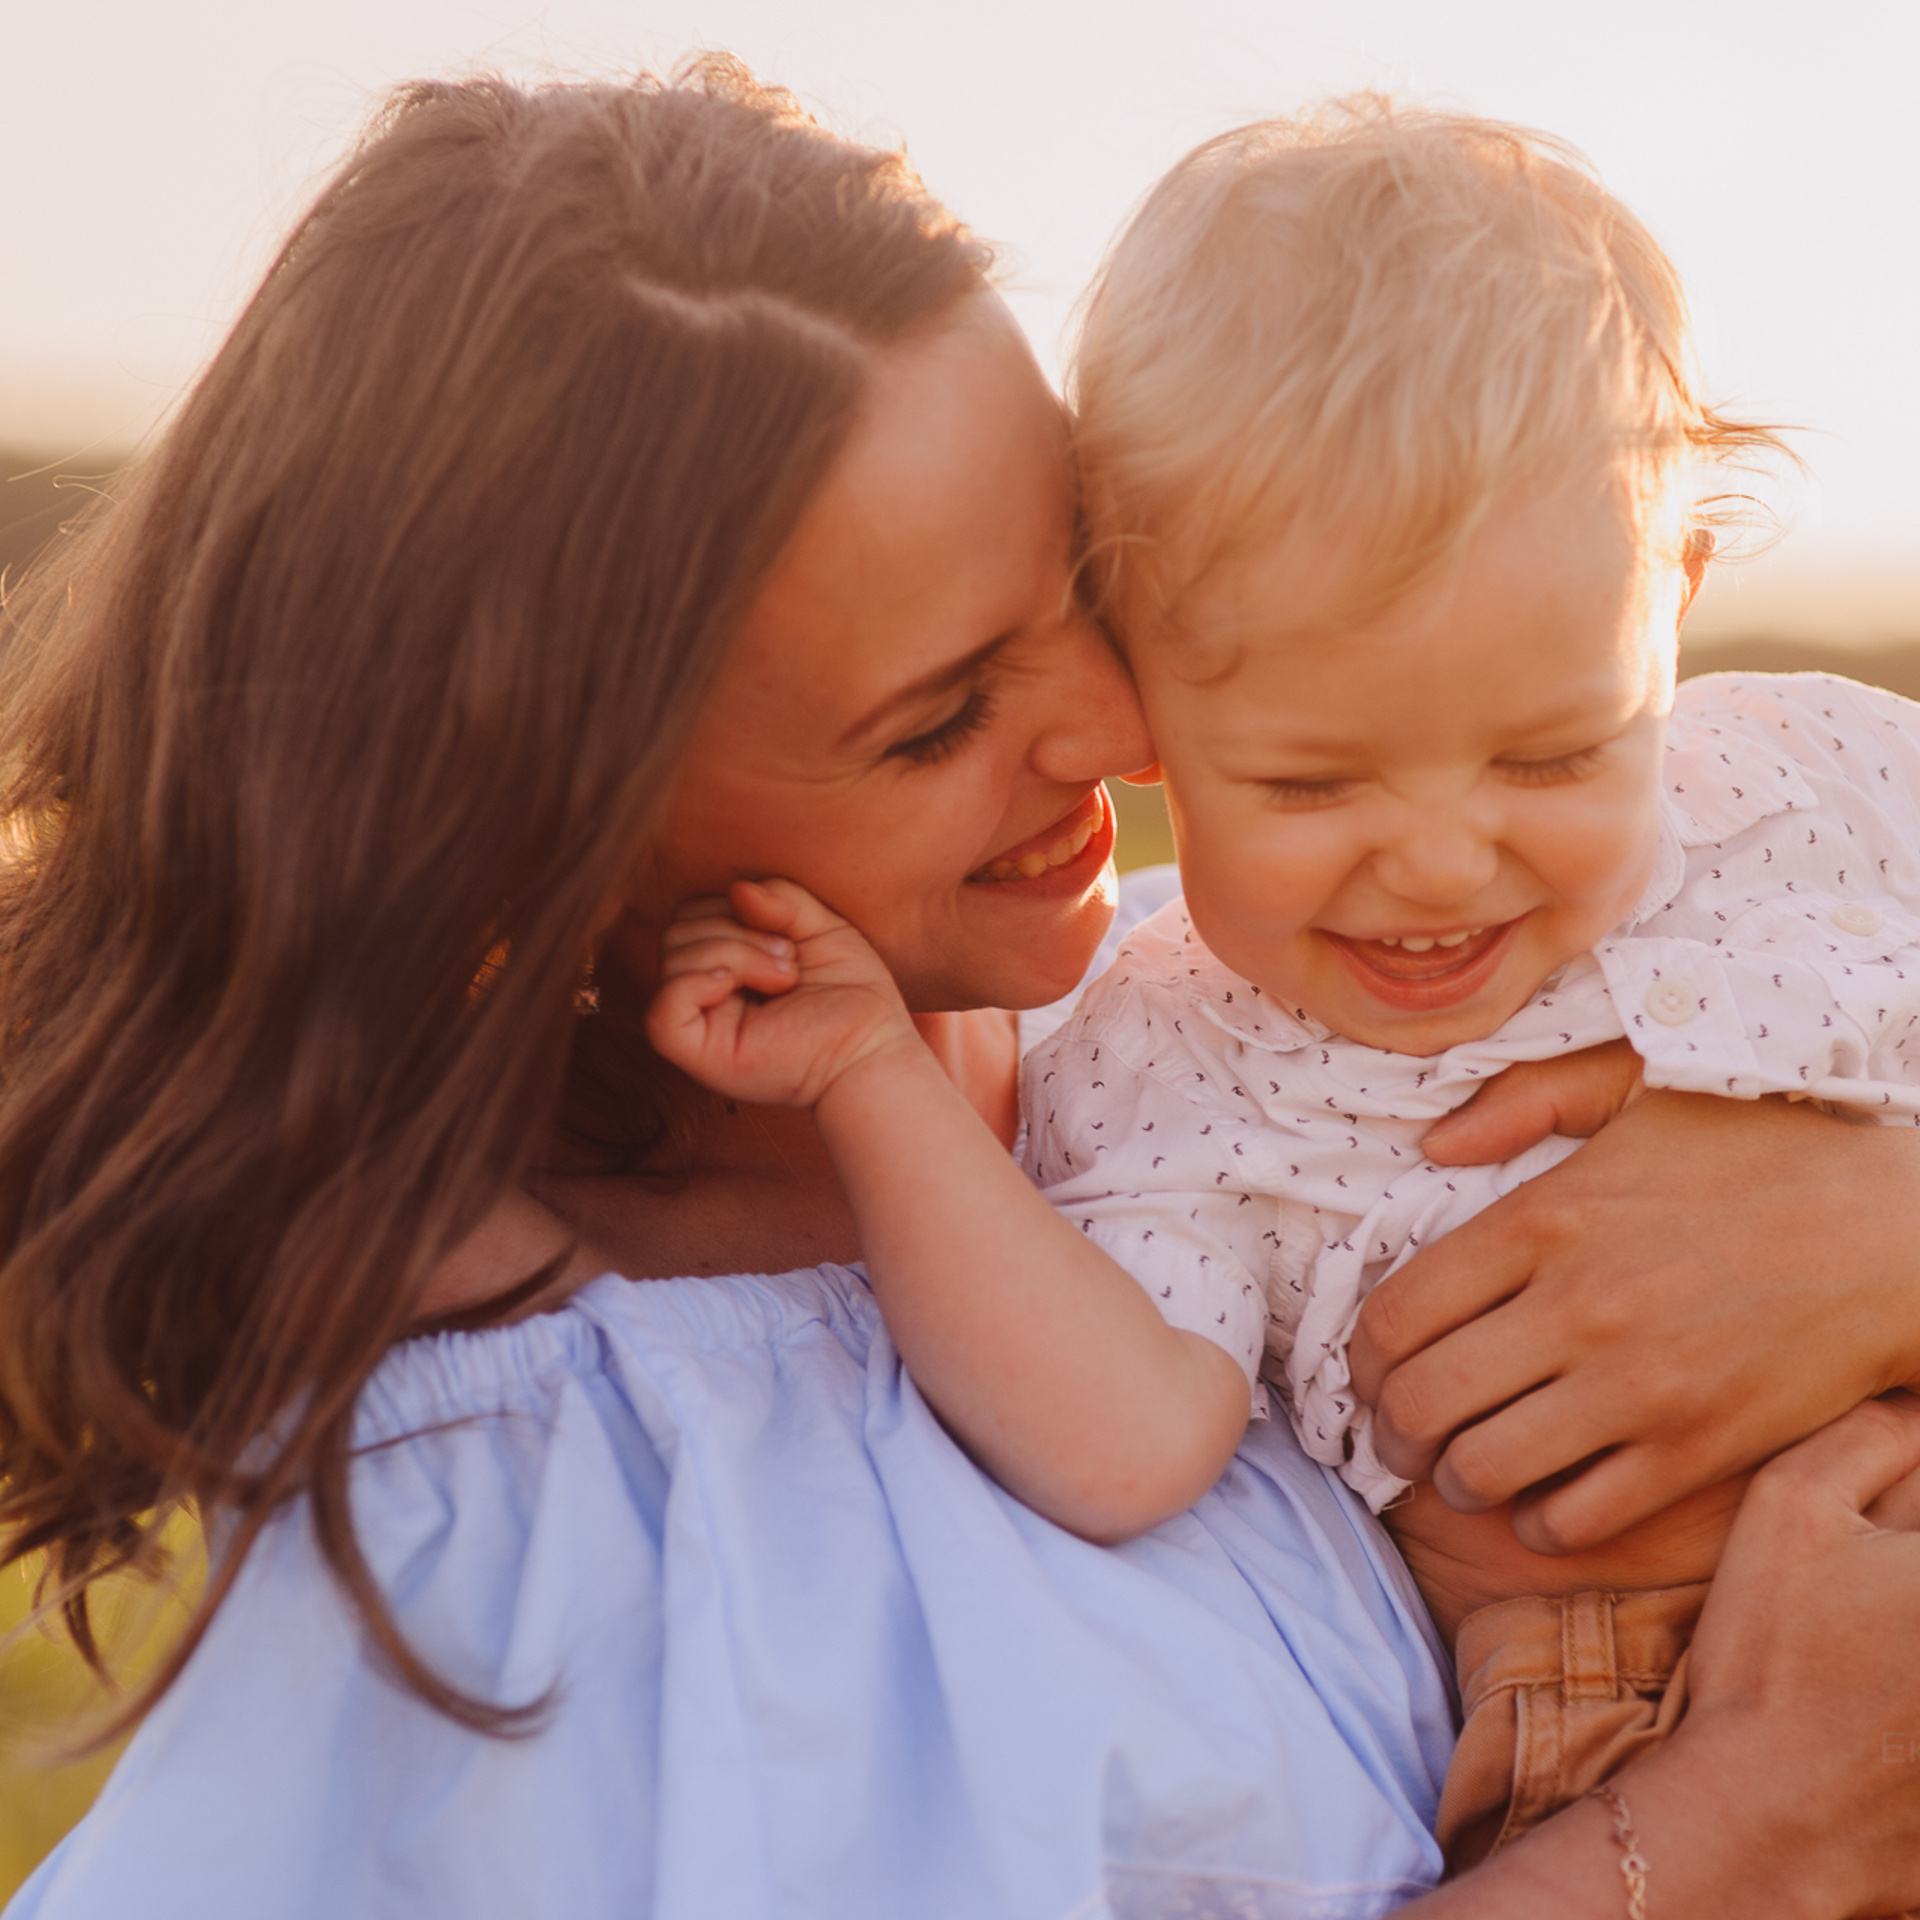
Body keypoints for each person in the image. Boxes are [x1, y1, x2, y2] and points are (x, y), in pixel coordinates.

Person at [3, 62, 1920, 1920]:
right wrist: (1742, 1836)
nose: (1119, 723)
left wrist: (1874, 1232)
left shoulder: (1177, 1027)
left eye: (1086, 582)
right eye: (939, 718)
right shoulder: (543, 1470)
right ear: (565, 830)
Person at [641, 96, 1920, 1877]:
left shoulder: (1815, 791)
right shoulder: (1181, 1059)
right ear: (1145, 701)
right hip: (1629, 1710)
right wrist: (875, 1076)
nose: (1442, 861)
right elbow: (1123, 1438)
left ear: (1672, 600)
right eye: (1313, 788)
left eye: (1552, 757)